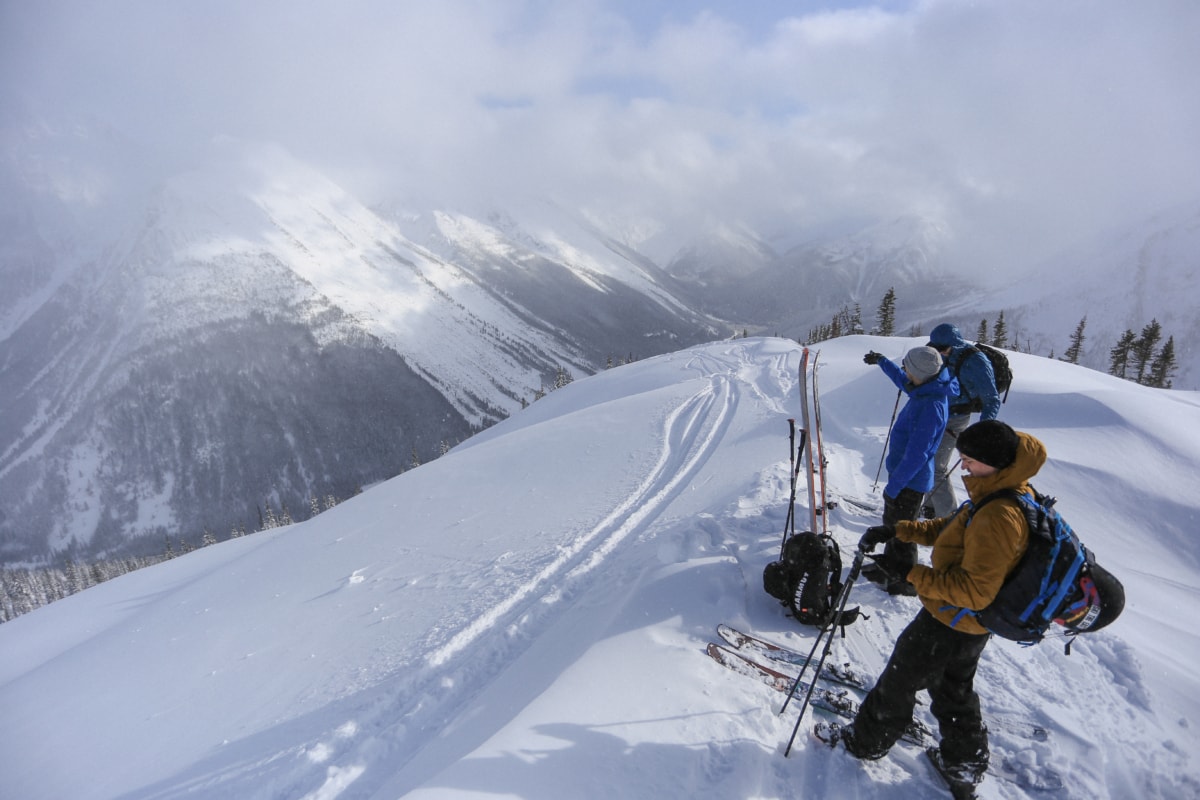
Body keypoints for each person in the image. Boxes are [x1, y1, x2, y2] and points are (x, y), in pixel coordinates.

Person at [817, 420, 1045, 793]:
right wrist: (899, 530)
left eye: (970, 460)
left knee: (899, 680)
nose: (963, 466)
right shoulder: (1002, 490)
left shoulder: (999, 516)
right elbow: (955, 528)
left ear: (992, 461)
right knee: (953, 686)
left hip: (952, 617)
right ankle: (963, 761)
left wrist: (912, 573)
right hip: (968, 625)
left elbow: (976, 592)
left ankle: (863, 743)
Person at [859, 346, 959, 595]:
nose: (905, 371)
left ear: (920, 372)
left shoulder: (931, 406)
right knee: (893, 525)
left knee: (903, 532)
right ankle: (890, 568)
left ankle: (904, 580)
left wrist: (894, 487)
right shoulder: (926, 388)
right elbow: (904, 381)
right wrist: (883, 361)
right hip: (904, 476)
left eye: (908, 367)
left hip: (911, 481)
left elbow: (918, 454)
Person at [925, 323, 1002, 519]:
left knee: (937, 466)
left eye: (943, 349)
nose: (940, 353)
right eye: (937, 349)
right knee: (925, 459)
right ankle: (929, 505)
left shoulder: (975, 361)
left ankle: (949, 519)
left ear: (955, 344)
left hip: (956, 418)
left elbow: (991, 398)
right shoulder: (940, 350)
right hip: (936, 413)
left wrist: (983, 430)